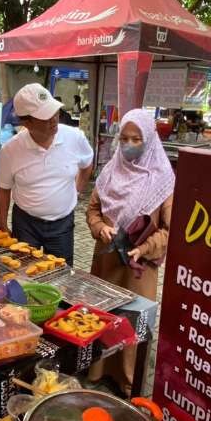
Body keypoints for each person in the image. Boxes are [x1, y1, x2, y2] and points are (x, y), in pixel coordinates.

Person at [85, 109, 174, 396]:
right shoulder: (111, 170)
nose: (129, 144)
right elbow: (93, 210)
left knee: (132, 322)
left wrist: (144, 247)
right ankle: (98, 372)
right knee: (103, 315)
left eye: (137, 139)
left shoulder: (163, 180)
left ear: (149, 141)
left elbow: (171, 230)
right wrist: (100, 229)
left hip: (139, 267)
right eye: (124, 138)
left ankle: (127, 382)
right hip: (106, 259)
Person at [0, 83, 94, 263]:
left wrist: (77, 191)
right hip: (26, 223)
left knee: (61, 274)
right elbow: (3, 189)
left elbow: (87, 164)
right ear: (26, 122)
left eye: (55, 112)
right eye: (45, 116)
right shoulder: (11, 150)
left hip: (62, 223)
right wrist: (2, 224)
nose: (54, 119)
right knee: (25, 271)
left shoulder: (74, 137)